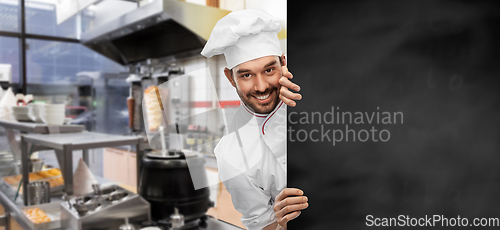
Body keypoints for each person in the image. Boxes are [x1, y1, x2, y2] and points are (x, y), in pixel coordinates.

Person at [201, 9, 308, 230]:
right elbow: (261, 226)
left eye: (269, 70)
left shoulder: (316, 97)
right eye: (246, 75)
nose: (261, 87)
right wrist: (281, 223)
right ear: (230, 77)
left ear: (283, 63)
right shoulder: (232, 154)